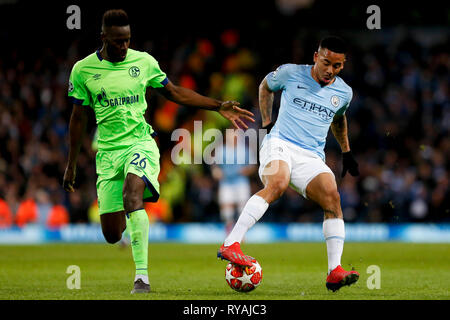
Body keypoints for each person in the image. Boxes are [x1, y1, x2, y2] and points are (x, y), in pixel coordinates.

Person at [62, 9, 254, 294]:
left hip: (140, 143)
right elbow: (78, 118)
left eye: (127, 40)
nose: (124, 46)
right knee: (112, 235)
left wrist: (217, 105)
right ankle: (132, 231)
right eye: (117, 41)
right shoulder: (83, 70)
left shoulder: (144, 62)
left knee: (133, 192)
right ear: (103, 38)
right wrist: (71, 164)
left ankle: (142, 278)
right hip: (108, 153)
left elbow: (174, 92)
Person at [217, 36, 360, 292]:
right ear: (316, 57)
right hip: (280, 143)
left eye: (337, 66)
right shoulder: (291, 73)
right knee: (278, 183)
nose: (330, 70)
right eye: (326, 62)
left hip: (311, 156)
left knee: (332, 197)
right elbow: (265, 86)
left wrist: (346, 151)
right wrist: (266, 123)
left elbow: (339, 119)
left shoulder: (344, 92)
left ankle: (334, 271)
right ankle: (231, 243)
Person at [211, 128, 257, 234]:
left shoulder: (244, 150)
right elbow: (215, 166)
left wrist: (246, 171)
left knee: (243, 207)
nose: (232, 137)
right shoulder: (221, 150)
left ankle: (241, 233)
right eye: (230, 135)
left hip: (241, 182)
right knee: (227, 207)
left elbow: (253, 167)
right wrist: (216, 172)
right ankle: (228, 231)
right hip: (226, 182)